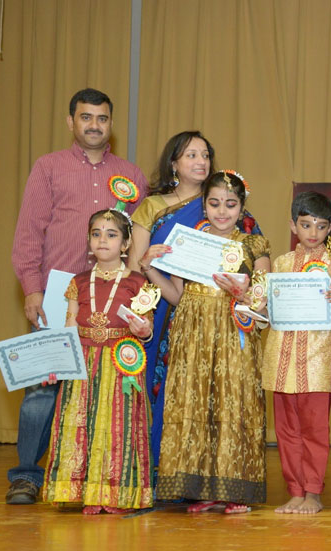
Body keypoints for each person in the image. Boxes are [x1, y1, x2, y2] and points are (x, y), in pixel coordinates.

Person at [8, 88, 148, 505]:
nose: (94, 125)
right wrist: (32, 289)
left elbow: (139, 239)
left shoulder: (131, 175)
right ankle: (26, 476)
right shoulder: (48, 167)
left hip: (114, 300)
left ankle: (95, 475)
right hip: (57, 296)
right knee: (43, 388)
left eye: (102, 118)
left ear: (111, 124)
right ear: (71, 121)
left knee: (106, 388)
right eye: (86, 117)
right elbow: (29, 233)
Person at [128, 130, 265, 469]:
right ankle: (161, 466)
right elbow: (135, 266)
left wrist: (248, 295)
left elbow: (257, 270)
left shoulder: (226, 201)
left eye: (205, 154)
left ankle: (217, 471)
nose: (200, 161)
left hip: (223, 319)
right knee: (169, 389)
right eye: (191, 154)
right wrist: (148, 269)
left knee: (220, 395)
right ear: (173, 162)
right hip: (161, 311)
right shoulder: (153, 206)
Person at [140, 171, 270, 514]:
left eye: (230, 204)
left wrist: (244, 294)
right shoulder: (189, 241)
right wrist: (149, 267)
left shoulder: (254, 245)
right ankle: (203, 490)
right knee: (194, 406)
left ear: (242, 207)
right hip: (192, 335)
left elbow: (263, 303)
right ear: (204, 205)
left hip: (232, 334)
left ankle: (235, 490)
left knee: (232, 405)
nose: (222, 211)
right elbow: (177, 296)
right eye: (214, 203)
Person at [42, 209, 154, 513]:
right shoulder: (78, 282)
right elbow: (69, 326)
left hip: (120, 365)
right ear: (88, 241)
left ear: (126, 243)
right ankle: (83, 491)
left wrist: (143, 330)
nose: (102, 240)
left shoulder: (137, 282)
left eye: (111, 234)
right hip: (83, 361)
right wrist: (58, 363)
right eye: (96, 234)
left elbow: (146, 327)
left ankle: (115, 494)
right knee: (80, 422)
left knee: (117, 426)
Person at [264, 192, 331, 514]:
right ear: (292, 225)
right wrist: (252, 303)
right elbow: (269, 311)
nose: (313, 232)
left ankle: (313, 492)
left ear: (330, 228)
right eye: (306, 224)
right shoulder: (281, 264)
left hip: (318, 358)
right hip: (282, 358)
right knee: (286, 430)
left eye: (321, 226)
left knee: (315, 429)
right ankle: (295, 491)